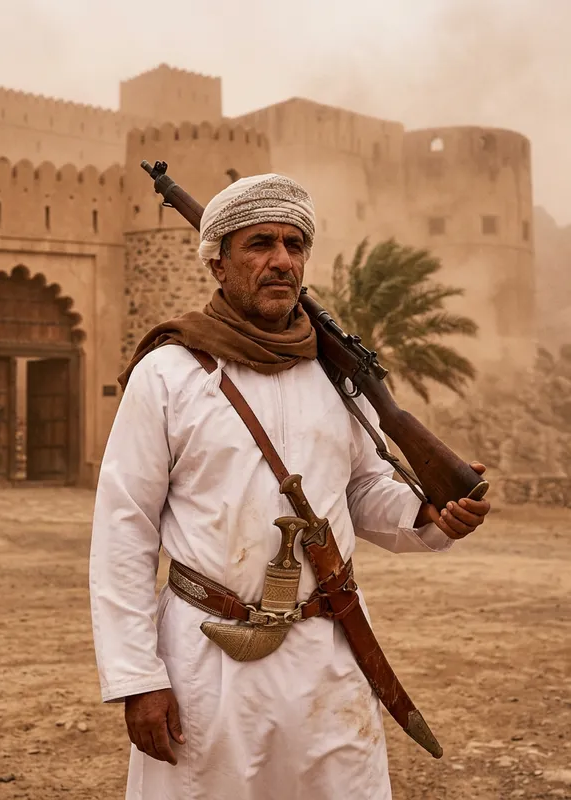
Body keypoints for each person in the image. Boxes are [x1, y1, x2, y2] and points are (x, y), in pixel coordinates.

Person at [89, 174, 490, 800]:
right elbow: (123, 529)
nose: (282, 260)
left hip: (328, 656)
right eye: (259, 244)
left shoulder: (334, 376)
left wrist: (429, 515)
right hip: (208, 660)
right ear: (218, 262)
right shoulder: (167, 373)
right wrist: (138, 676)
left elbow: (360, 492)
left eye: (294, 245)